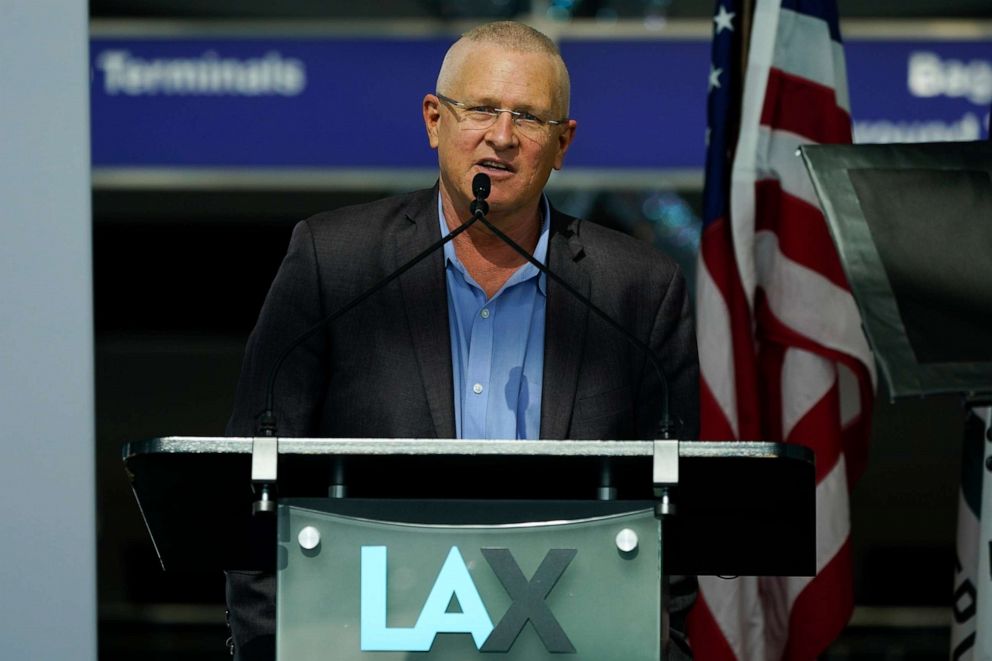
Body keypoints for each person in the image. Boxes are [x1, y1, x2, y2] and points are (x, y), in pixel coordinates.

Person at [224, 20, 698, 660]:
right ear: (433, 119)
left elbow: (676, 510)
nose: (500, 137)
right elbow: (255, 480)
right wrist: (271, 648)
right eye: (479, 109)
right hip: (368, 640)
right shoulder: (335, 262)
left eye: (528, 119)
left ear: (562, 144)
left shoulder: (637, 290)